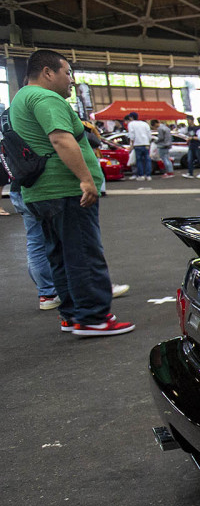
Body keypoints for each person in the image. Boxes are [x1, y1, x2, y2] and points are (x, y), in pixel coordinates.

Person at [9, 49, 134, 336]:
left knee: (60, 255)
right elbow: (61, 139)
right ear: (48, 72)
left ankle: (72, 315)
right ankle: (93, 318)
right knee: (83, 253)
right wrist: (86, 180)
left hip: (41, 192)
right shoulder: (45, 97)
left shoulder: (20, 99)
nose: (71, 81)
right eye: (67, 73)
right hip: (65, 190)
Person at [126, 111, 152, 181]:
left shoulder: (131, 124)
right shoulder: (144, 123)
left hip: (137, 144)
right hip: (146, 143)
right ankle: (148, 175)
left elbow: (132, 135)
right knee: (147, 160)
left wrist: (131, 145)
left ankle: (141, 175)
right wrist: (148, 142)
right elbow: (149, 134)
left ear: (131, 117)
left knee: (139, 160)